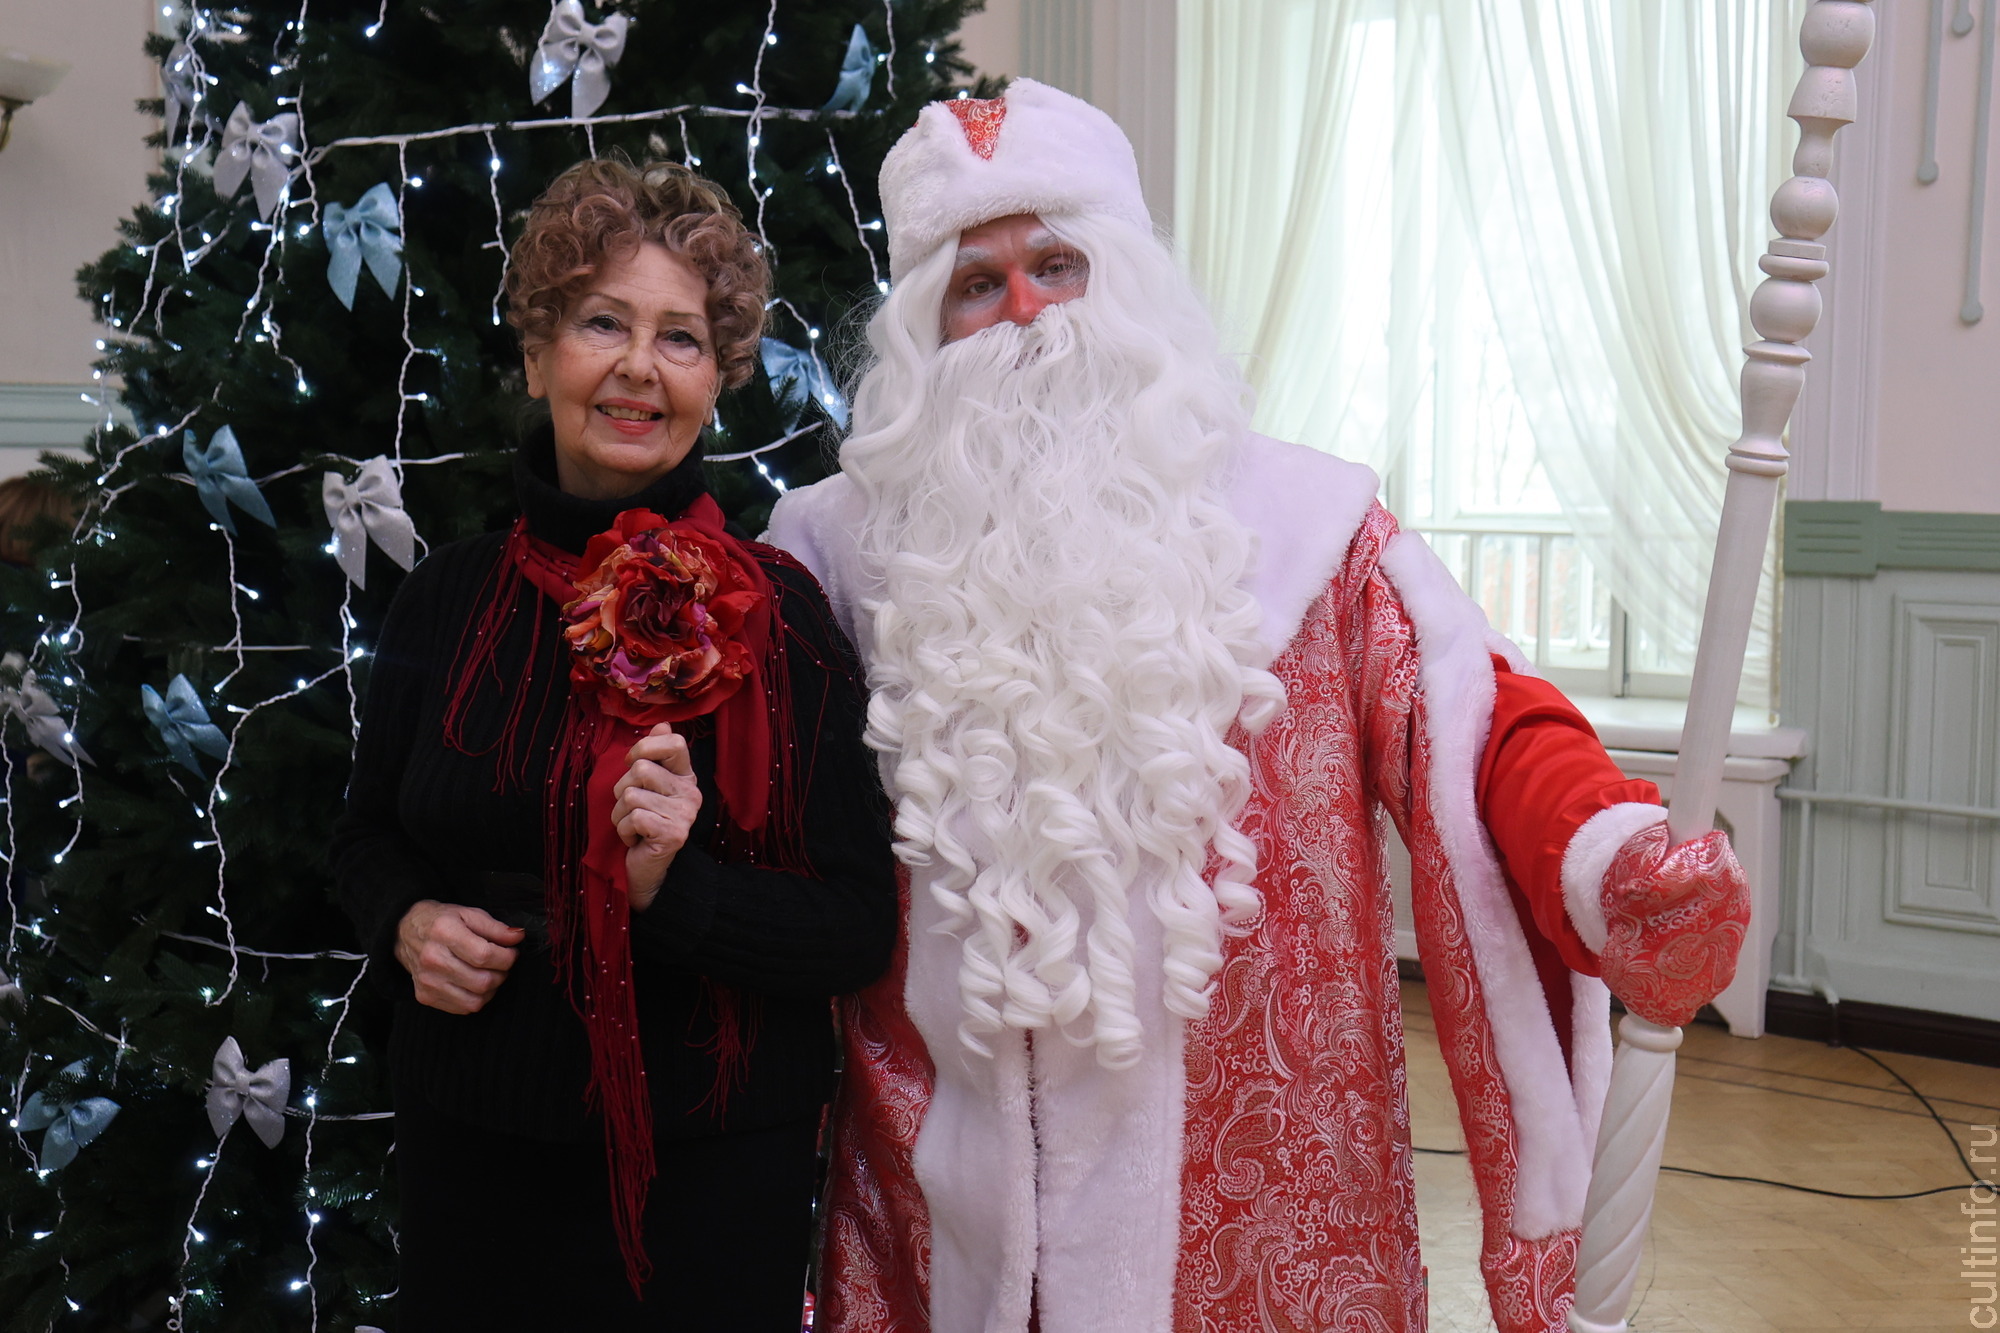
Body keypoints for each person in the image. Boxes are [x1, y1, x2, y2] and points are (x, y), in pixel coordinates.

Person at [765, 81, 1750, 1333]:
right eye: (976, 283)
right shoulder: (829, 555)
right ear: (924, 330)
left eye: (1056, 266)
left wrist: (1605, 851)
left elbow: (1468, 717)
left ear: (1125, 283)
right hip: (934, 1207)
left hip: (1261, 1198)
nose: (1023, 311)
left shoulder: (1309, 526)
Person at [331, 158, 897, 1331]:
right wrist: (406, 921)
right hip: (470, 1155)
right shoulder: (444, 601)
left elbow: (854, 926)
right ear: (539, 355)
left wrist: (672, 890)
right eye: (602, 322)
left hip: (709, 1182)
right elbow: (366, 836)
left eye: (679, 337)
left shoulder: (784, 618)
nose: (640, 365)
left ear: (717, 379)